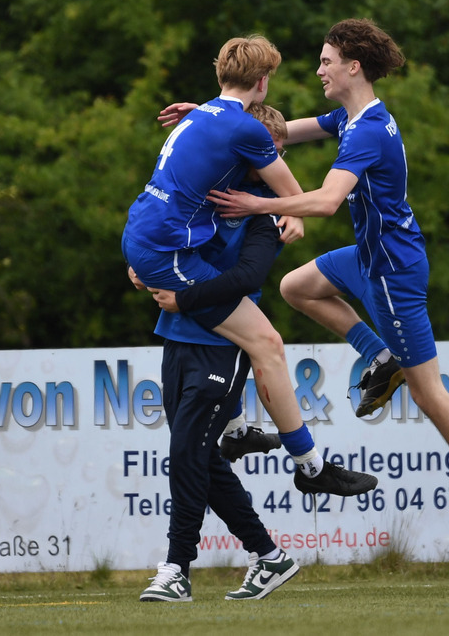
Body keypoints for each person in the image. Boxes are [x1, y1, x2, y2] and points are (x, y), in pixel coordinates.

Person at [203, 19, 449, 568]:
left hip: (393, 275)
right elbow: (276, 134)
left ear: (354, 66)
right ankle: (378, 357)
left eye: (327, 60)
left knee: (430, 394)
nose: (319, 69)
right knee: (295, 286)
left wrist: (260, 206)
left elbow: (327, 202)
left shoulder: (368, 131)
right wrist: (206, 115)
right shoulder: (350, 118)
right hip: (368, 260)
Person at [121, 34, 377, 500]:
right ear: (262, 82)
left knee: (241, 330)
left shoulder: (203, 113)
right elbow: (293, 191)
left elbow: (219, 127)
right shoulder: (247, 130)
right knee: (267, 343)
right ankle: (311, 467)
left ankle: (238, 430)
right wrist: (290, 214)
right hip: (166, 252)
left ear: (221, 75)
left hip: (145, 233)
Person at [134, 104, 300, 602]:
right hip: (177, 333)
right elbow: (170, 240)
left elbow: (247, 280)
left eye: (268, 152)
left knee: (187, 454)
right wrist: (144, 266)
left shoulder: (267, 212)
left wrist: (184, 295)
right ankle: (269, 556)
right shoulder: (209, 189)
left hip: (222, 345)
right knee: (201, 460)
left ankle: (176, 568)